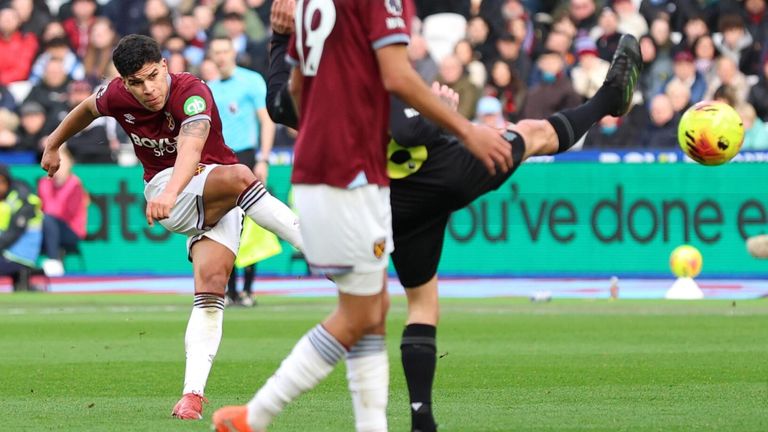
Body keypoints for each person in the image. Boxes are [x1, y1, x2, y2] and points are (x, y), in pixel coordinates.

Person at [257, 2, 642, 430]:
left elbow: (280, 104)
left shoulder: (316, 52)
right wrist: (452, 120)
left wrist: (277, 40)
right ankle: (608, 99)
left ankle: (421, 418)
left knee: (407, 304)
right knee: (531, 135)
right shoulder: (370, 23)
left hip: (374, 206)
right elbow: (403, 116)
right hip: (432, 178)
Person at [212, 0, 514, 431]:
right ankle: (254, 417)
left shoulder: (314, 7)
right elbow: (396, 74)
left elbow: (293, 96)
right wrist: (466, 129)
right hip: (348, 173)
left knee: (372, 310)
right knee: (359, 314)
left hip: (331, 168)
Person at [40, 34, 303, 421]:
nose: (147, 89)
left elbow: (192, 148)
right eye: (136, 82)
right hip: (168, 188)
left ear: (165, 66)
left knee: (212, 286)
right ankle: (320, 251)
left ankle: (191, 396)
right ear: (124, 82)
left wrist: (175, 191)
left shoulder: (193, 92)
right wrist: (53, 143)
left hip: (207, 191)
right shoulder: (117, 95)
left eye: (152, 76)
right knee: (241, 176)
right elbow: (85, 109)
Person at [207, 35, 276, 307]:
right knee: (223, 223)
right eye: (216, 52)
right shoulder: (208, 88)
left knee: (252, 223)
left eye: (225, 51)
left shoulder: (251, 81)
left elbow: (266, 120)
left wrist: (264, 158)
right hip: (219, 160)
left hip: (246, 156)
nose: (221, 56)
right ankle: (229, 289)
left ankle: (247, 289)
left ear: (233, 52)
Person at [37, 146, 88, 276]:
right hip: (46, 230)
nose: (59, 168)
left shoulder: (75, 185)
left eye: (62, 164)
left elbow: (65, 214)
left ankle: (54, 261)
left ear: (70, 164)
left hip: (71, 232)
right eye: (56, 164)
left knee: (48, 219)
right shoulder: (43, 183)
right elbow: (38, 211)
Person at [0, 164, 44, 292]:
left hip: (19, 257)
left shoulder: (22, 200)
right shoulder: (6, 199)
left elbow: (12, 234)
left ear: (3, 180)